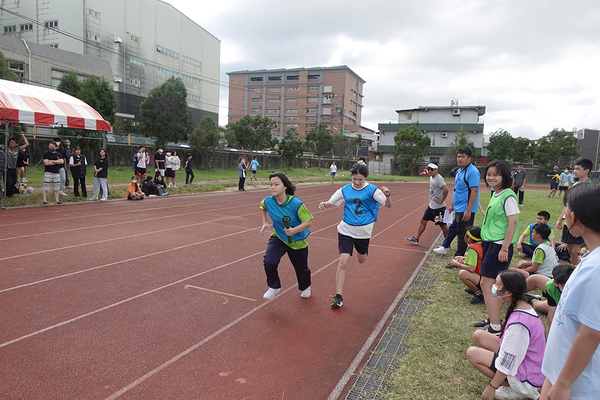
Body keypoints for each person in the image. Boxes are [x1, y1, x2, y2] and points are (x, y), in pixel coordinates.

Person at [540, 181, 600, 400]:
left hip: (577, 385)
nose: (564, 215)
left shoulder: (596, 268)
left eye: (565, 209)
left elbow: (591, 332)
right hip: (561, 372)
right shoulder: (591, 258)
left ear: (573, 217)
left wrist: (563, 383)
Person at [319, 163, 392, 308]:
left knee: (361, 259)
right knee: (343, 261)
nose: (357, 182)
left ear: (365, 178)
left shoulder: (372, 190)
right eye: (354, 179)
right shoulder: (345, 189)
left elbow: (388, 205)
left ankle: (363, 250)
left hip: (364, 231)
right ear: (351, 177)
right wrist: (324, 204)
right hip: (346, 229)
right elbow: (331, 202)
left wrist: (388, 195)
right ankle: (338, 296)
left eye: (360, 179)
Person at [467, 270, 546, 400]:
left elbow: (509, 360)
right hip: (529, 362)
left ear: (508, 293)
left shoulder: (518, 325)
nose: (494, 287)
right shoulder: (522, 307)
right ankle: (510, 383)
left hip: (527, 377)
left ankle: (514, 389)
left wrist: (492, 387)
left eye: (497, 285)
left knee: (472, 353)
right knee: (479, 335)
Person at [474, 160, 519, 336]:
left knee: (489, 284)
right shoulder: (496, 193)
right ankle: (494, 320)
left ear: (504, 177)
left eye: (496, 174)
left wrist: (505, 248)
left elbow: (513, 222)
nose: (491, 177)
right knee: (490, 284)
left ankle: (495, 327)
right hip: (491, 243)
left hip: (499, 245)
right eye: (489, 174)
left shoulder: (508, 195)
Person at [260, 172, 313, 300]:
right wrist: (265, 222)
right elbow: (262, 206)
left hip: (297, 240)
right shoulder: (268, 201)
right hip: (279, 237)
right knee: (269, 261)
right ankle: (274, 286)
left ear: (284, 186)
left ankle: (306, 286)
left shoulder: (296, 203)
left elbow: (308, 222)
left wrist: (294, 230)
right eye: (270, 184)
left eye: (276, 184)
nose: (272, 187)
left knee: (302, 269)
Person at [433, 147, 480, 256]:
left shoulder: (472, 172)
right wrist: (452, 205)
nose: (460, 159)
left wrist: (468, 210)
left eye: (463, 157)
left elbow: (474, 192)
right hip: (458, 207)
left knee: (462, 233)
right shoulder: (459, 171)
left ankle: (459, 254)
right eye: (458, 156)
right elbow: (458, 190)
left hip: (465, 208)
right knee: (453, 228)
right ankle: (445, 246)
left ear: (469, 158)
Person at [555, 159, 592, 265]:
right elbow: (568, 205)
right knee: (571, 250)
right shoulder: (575, 185)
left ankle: (579, 271)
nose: (575, 171)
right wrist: (560, 219)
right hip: (569, 222)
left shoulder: (589, 188)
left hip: (578, 223)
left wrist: (579, 225)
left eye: (578, 169)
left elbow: (587, 209)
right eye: (574, 169)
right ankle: (575, 270)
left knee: (577, 251)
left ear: (587, 170)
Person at [406, 163, 448, 245]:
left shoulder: (439, 179)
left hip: (439, 208)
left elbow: (446, 190)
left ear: (436, 170)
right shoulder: (431, 178)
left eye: (432, 169)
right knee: (423, 221)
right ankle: (416, 239)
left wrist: (441, 200)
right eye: (428, 169)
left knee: (443, 226)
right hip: (431, 206)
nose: (429, 171)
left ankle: (446, 243)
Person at [449, 226, 484, 304]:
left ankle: (480, 294)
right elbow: (478, 259)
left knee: (463, 274)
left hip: (483, 279)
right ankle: (476, 288)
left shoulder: (473, 248)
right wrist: (464, 258)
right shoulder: (481, 244)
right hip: (487, 278)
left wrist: (457, 264)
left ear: (469, 239)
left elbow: (471, 268)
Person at [5, 133, 28, 198]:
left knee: (14, 181)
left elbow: (27, 144)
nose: (11, 143)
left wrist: (23, 136)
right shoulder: (6, 148)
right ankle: (7, 195)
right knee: (9, 181)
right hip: (7, 168)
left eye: (13, 142)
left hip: (14, 168)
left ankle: (11, 193)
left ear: (16, 144)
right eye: (10, 142)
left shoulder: (17, 149)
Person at [41, 141, 64, 206]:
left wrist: (51, 161)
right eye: (50, 146)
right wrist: (56, 161)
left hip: (56, 173)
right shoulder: (46, 154)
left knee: (56, 188)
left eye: (52, 147)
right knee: (46, 187)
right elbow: (46, 163)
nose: (51, 148)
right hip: (48, 173)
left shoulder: (58, 154)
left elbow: (61, 161)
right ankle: (45, 201)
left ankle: (57, 200)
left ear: (56, 147)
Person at [0, 145, 5, 209]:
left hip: (0, 173)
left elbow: (3, 163)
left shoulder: (1, 153)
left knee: (0, 187)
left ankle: (0, 203)